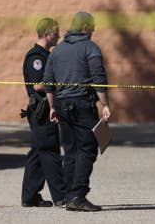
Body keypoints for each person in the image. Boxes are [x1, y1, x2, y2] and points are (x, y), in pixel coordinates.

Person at [44, 11, 111, 212]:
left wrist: (52, 107)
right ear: (84, 28)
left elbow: (48, 83)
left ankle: (69, 195)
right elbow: (98, 78)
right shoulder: (90, 48)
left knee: (71, 150)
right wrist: (105, 104)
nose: (93, 30)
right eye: (92, 27)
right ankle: (78, 195)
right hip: (82, 104)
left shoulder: (57, 51)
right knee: (88, 148)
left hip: (62, 105)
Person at [20, 18, 67, 208]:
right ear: (47, 34)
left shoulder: (46, 55)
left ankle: (30, 196)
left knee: (38, 153)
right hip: (41, 111)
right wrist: (60, 83)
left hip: (45, 111)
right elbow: (37, 85)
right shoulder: (36, 58)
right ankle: (62, 195)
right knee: (50, 151)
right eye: (56, 33)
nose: (59, 36)